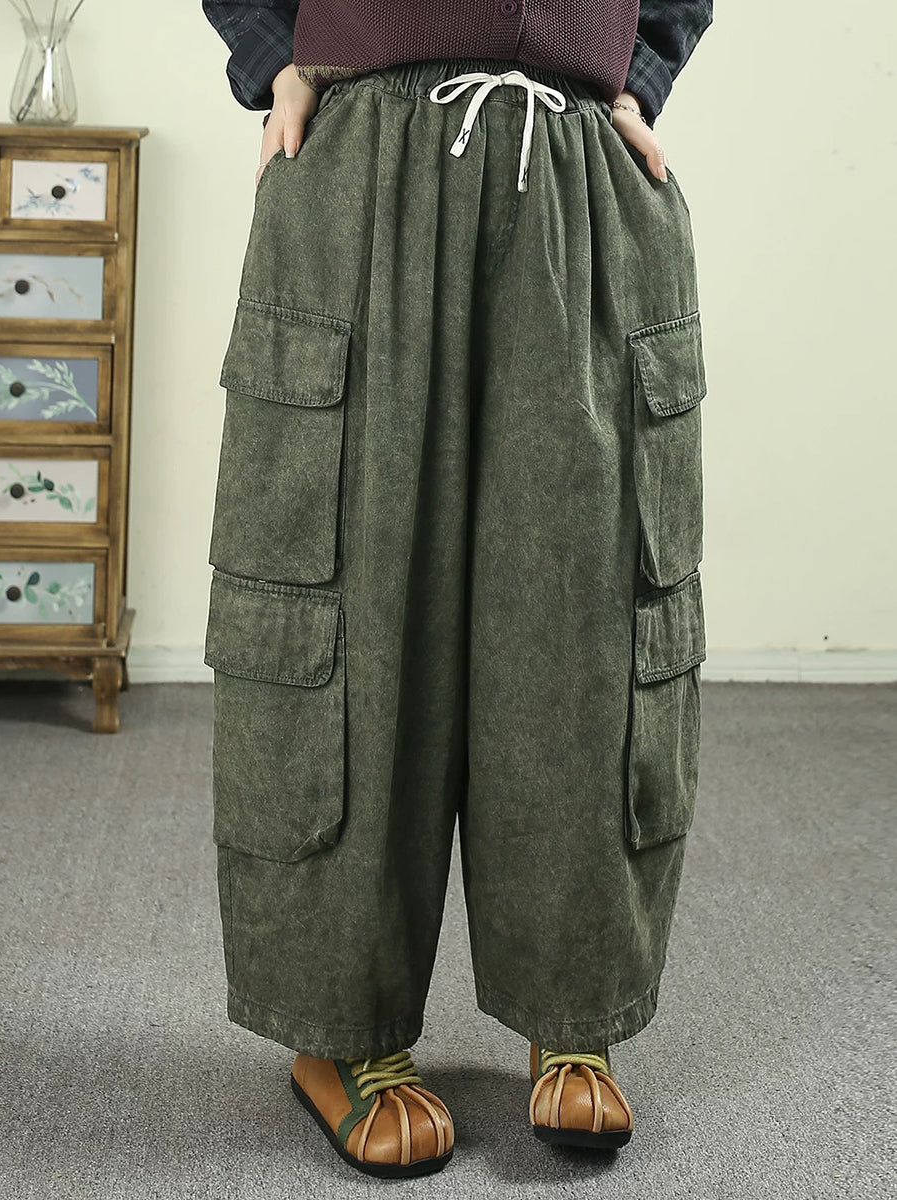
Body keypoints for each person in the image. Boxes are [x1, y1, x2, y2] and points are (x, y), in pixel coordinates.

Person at [201, 0, 713, 1179]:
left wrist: (640, 70)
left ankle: (572, 1013)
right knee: (352, 593)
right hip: (364, 153)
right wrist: (275, 59)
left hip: (579, 162)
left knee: (584, 608)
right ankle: (341, 1031)